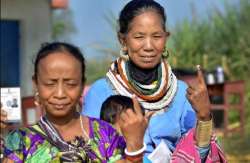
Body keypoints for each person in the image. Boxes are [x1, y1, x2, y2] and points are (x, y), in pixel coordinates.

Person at [82, 0, 226, 162]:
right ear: (123, 40)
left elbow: (197, 155)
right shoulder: (101, 92)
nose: (149, 46)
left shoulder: (180, 93)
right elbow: (91, 151)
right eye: (139, 36)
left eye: (156, 36)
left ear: (166, 38)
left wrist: (204, 115)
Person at [1, 42, 152, 163]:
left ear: (82, 85)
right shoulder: (20, 141)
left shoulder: (105, 134)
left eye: (71, 84)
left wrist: (134, 145)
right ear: (36, 84)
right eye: (50, 84)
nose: (60, 94)